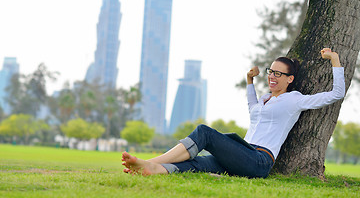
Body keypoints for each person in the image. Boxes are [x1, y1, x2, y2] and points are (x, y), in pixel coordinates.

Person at [122, 48, 345, 178]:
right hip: (242, 153)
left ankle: (149, 161)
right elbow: (252, 108)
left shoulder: (294, 100)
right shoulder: (265, 99)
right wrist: (250, 81)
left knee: (204, 133)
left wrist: (334, 60)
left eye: (278, 73)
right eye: (270, 72)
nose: (272, 77)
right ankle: (154, 170)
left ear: (290, 79)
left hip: (259, 160)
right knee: (199, 163)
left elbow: (336, 93)